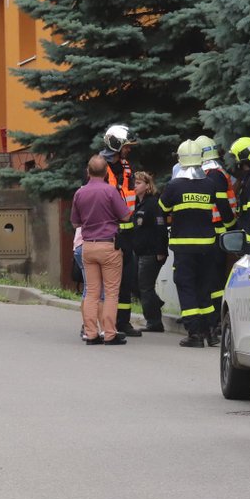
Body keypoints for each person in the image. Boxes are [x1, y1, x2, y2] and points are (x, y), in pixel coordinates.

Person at [160, 140, 235, 348]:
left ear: (180, 160)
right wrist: (231, 227)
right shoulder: (209, 184)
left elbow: (162, 209)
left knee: (186, 285)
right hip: (207, 246)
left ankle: (194, 333)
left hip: (183, 248)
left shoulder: (174, 186)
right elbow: (225, 211)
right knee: (205, 287)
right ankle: (211, 332)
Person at [71, 154, 132, 346]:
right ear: (106, 172)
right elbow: (125, 216)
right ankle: (110, 334)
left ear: (88, 172)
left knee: (92, 292)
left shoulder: (80, 193)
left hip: (88, 246)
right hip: (108, 245)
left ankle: (91, 334)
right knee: (112, 292)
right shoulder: (110, 191)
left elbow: (75, 221)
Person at [101, 124, 142, 337]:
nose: (129, 150)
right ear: (116, 145)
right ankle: (104, 323)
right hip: (108, 234)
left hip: (127, 234)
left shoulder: (126, 167)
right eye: (126, 146)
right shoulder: (99, 166)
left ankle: (123, 322)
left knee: (127, 278)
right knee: (107, 281)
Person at [195, 134, 237, 338]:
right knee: (214, 279)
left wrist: (230, 227)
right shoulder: (217, 173)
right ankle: (214, 321)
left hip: (215, 232)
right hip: (217, 231)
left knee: (215, 280)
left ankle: (216, 322)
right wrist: (232, 226)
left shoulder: (208, 174)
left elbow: (222, 206)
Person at [133, 171, 168, 332]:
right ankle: (156, 304)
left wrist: (161, 250)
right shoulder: (138, 203)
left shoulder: (153, 203)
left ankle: (154, 322)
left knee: (145, 287)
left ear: (147, 186)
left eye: (139, 183)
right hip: (140, 251)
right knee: (140, 285)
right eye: (135, 182)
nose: (135, 185)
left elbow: (160, 227)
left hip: (152, 252)